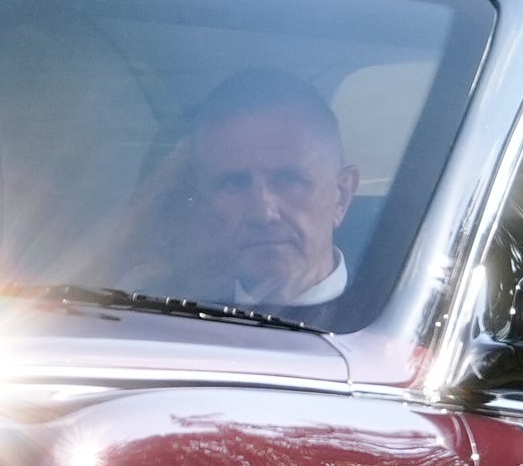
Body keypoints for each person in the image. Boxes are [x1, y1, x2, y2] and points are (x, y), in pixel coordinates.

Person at [140, 67, 360, 311]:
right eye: (234, 184)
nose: (263, 213)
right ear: (204, 200)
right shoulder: (168, 318)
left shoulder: (393, 328)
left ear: (341, 196)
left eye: (288, 180)